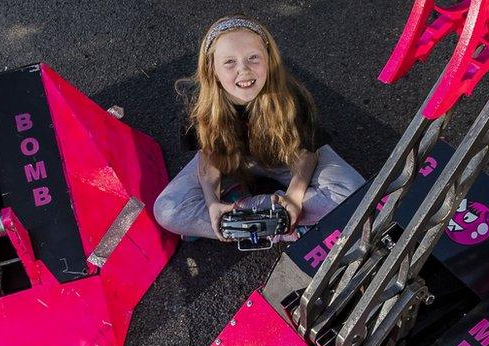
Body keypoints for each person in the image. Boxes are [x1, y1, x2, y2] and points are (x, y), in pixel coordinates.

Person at [153, 15, 365, 242]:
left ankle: (244, 218)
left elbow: (307, 153)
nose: (243, 70)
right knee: (167, 209)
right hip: (231, 161)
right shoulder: (198, 106)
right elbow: (208, 156)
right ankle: (280, 223)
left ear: (269, 60)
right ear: (211, 68)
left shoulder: (292, 97)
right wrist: (213, 202)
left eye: (253, 58)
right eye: (229, 62)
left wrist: (294, 196)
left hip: (286, 156)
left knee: (354, 192)